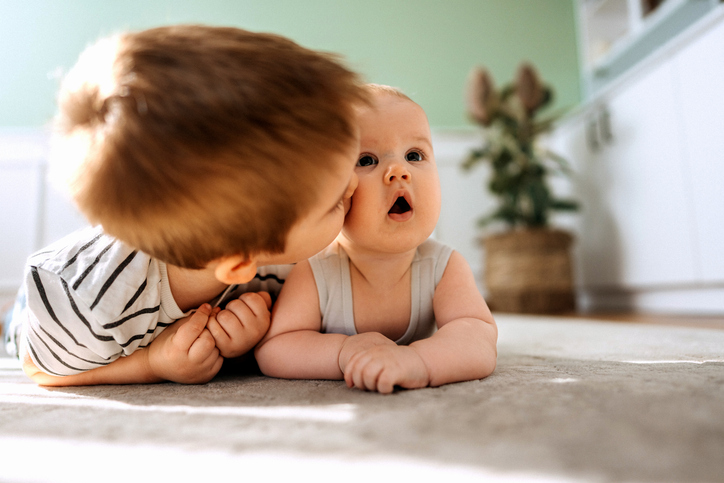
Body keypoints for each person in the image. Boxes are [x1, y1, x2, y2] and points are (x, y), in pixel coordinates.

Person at [3, 25, 366, 387]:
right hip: (49, 314)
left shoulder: (267, 240)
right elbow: (39, 370)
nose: (355, 185)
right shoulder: (85, 304)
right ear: (240, 264)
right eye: (335, 201)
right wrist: (151, 363)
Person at [255, 85, 498, 394]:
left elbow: (478, 337)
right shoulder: (316, 270)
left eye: (414, 155)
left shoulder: (444, 266)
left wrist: (418, 361)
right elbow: (276, 348)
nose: (399, 171)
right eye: (367, 160)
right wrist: (343, 352)